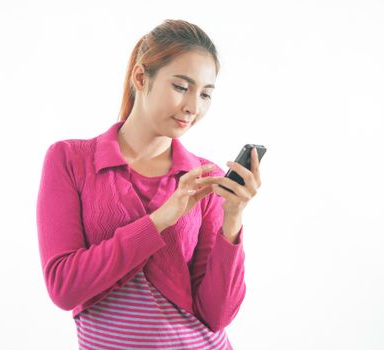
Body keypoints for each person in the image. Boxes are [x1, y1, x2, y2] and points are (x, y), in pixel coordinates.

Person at [36, 19, 262, 350]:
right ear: (141, 77)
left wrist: (233, 218)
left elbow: (218, 315)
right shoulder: (71, 160)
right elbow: (63, 287)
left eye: (206, 94)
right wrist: (160, 220)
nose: (193, 107)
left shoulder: (204, 176)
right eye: (182, 87)